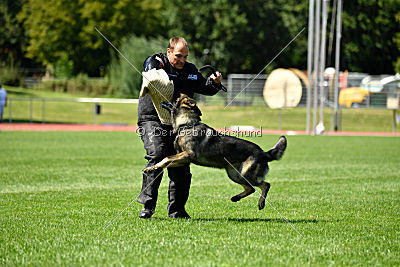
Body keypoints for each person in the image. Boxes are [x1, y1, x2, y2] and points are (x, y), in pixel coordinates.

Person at [137, 37, 223, 219]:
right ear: (169, 52)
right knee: (157, 154)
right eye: (178, 56)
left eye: (185, 56)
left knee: (182, 163)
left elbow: (204, 87)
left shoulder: (190, 70)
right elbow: (150, 69)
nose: (182, 60)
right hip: (152, 119)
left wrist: (214, 83)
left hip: (179, 124)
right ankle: (148, 205)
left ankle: (177, 211)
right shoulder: (157, 62)